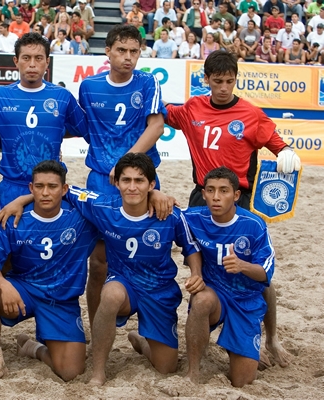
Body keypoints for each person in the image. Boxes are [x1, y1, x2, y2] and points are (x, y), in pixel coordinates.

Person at [164, 50, 299, 369]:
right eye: (218, 81)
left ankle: (271, 339)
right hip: (202, 196)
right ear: (206, 79)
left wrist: (288, 153)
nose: (224, 87)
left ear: (236, 80)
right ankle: (199, 338)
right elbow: (159, 114)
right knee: (201, 273)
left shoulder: (251, 115)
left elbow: (280, 147)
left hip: (240, 199)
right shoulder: (192, 108)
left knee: (255, 274)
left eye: (230, 81)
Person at [59, 153, 200, 386]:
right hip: (123, 282)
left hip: (159, 289)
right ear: (116, 183)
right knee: (111, 294)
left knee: (166, 367)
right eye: (126, 180)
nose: (132, 187)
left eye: (140, 181)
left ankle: (142, 342)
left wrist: (195, 273)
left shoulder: (170, 214)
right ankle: (98, 371)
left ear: (151, 184)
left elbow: (191, 246)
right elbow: (63, 189)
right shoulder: (103, 206)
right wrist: (20, 201)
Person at [77, 24, 168, 332]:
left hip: (137, 178)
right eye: (121, 51)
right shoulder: (89, 87)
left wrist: (126, 163)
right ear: (108, 51)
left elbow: (156, 127)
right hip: (102, 181)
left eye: (134, 52)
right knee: (99, 263)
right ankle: (96, 331)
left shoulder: (148, 82)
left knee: (147, 257)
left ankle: (151, 330)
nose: (128, 58)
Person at [0, 160, 99, 380]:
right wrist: (4, 284)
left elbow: (118, 203)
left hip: (61, 299)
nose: (45, 192)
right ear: (31, 188)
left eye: (52, 186)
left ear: (64, 189)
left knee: (70, 372)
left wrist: (156, 195)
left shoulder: (81, 218)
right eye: (39, 187)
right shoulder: (13, 218)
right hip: (24, 291)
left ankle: (34, 348)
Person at [183, 167, 276, 387]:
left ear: (236, 195)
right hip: (215, 294)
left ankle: (241, 347)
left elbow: (266, 273)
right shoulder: (192, 217)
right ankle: (192, 372)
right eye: (211, 190)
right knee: (201, 298)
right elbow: (166, 212)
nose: (216, 197)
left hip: (246, 301)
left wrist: (243, 265)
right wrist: (158, 195)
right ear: (203, 193)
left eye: (223, 191)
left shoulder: (254, 224)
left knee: (242, 381)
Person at [0, 32, 87, 206]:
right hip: (12, 188)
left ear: (47, 62)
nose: (32, 64)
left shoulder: (62, 96)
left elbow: (86, 129)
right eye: (26, 58)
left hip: (49, 187)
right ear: (16, 61)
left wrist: (55, 135)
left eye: (38, 58)